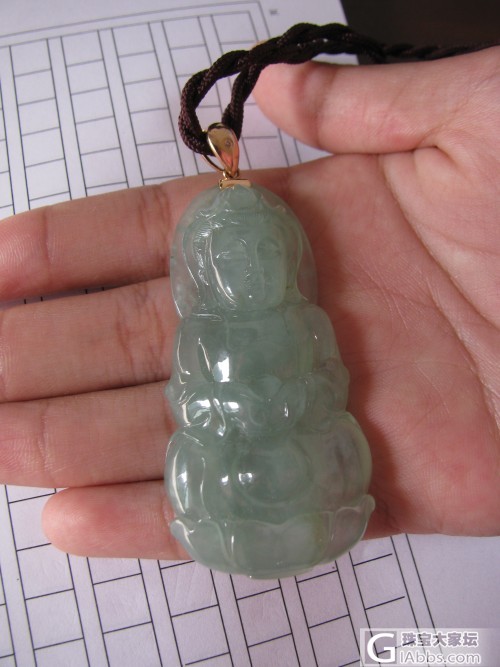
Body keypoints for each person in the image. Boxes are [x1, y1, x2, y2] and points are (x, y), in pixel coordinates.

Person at [0, 47, 498, 560]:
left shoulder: (304, 318)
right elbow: (187, 399)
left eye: (267, 252)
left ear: (289, 257)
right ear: (204, 268)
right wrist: (233, 407)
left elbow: (332, 382)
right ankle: (215, 526)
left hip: (297, 442)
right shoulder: (203, 330)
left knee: (340, 434)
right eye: (233, 258)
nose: (254, 270)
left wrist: (293, 400)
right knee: (190, 450)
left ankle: (332, 512)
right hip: (234, 449)